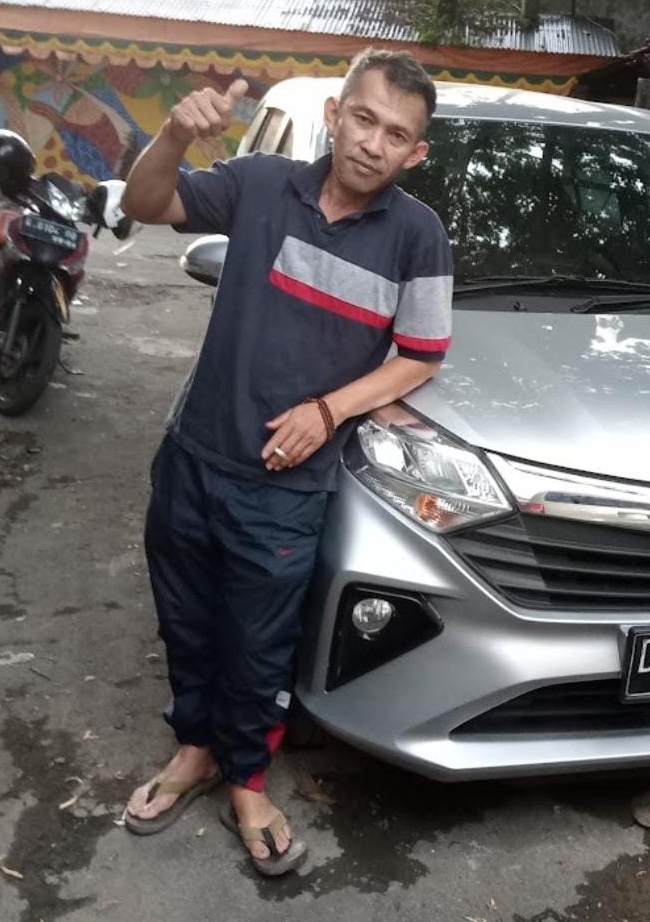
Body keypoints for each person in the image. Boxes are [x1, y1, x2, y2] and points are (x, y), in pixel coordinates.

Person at [119, 50, 452, 876]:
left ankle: (247, 780)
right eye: (364, 118)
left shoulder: (417, 235)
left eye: (397, 134)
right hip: (194, 455)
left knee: (259, 639)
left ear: (416, 153)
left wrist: (328, 410)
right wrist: (172, 135)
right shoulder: (261, 184)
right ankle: (195, 750)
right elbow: (144, 202)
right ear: (335, 115)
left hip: (285, 487)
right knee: (186, 618)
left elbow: (421, 355)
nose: (373, 142)